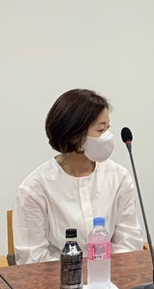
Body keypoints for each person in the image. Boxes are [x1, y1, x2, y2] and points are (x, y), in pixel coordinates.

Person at [13, 88, 145, 264]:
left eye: (108, 128)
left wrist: (104, 271)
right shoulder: (35, 189)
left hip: (111, 274)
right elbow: (32, 258)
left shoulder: (119, 177)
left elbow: (129, 242)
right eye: (100, 129)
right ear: (75, 136)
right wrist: (77, 273)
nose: (108, 137)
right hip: (59, 277)